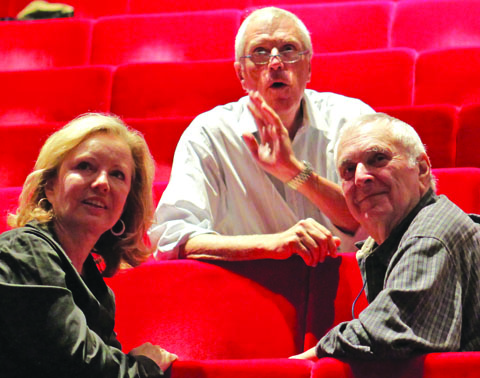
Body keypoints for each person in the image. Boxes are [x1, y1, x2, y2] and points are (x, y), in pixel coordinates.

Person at [149, 7, 375, 264]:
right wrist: (270, 245)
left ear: (309, 67)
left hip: (350, 286)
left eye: (288, 49)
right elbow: (173, 238)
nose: (276, 63)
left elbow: (376, 216)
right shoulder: (208, 134)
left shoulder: (352, 119)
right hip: (244, 292)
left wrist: (295, 173)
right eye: (260, 52)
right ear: (241, 74)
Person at [0, 114, 177, 377]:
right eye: (85, 166)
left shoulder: (97, 289)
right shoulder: (23, 251)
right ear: (50, 186)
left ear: (126, 201)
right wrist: (146, 366)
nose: (102, 183)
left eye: (118, 174)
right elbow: (82, 367)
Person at [292, 113, 480, 360]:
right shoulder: (408, 233)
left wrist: (300, 365)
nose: (360, 178)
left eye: (378, 159)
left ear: (422, 169)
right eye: (348, 170)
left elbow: (386, 335)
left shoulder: (432, 234)